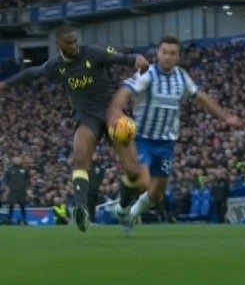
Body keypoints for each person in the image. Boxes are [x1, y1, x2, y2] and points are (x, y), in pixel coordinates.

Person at [0, 25, 150, 233]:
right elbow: (31, 73)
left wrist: (137, 58)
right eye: (68, 42)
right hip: (86, 115)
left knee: (133, 172)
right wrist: (5, 85)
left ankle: (123, 208)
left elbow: (121, 58)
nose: (73, 45)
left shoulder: (93, 53)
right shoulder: (56, 65)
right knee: (80, 155)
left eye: (74, 41)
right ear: (59, 44)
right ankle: (81, 208)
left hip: (112, 114)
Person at [107, 35, 241, 233]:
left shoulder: (181, 77)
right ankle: (122, 207)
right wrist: (116, 110)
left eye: (172, 53)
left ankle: (130, 214)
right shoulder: (148, 74)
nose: (167, 57)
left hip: (167, 143)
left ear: (178, 57)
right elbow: (125, 91)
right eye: (164, 52)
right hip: (143, 138)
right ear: (158, 54)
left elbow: (201, 98)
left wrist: (225, 117)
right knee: (143, 182)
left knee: (156, 195)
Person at [4, 157, 30, 225]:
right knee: (11, 205)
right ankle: (9, 220)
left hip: (22, 191)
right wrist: (9, 186)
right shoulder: (10, 169)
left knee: (23, 206)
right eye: (16, 160)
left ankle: (25, 221)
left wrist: (25, 186)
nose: (17, 161)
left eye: (18, 160)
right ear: (13, 161)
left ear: (20, 160)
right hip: (13, 191)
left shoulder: (24, 169)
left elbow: (28, 178)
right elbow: (6, 179)